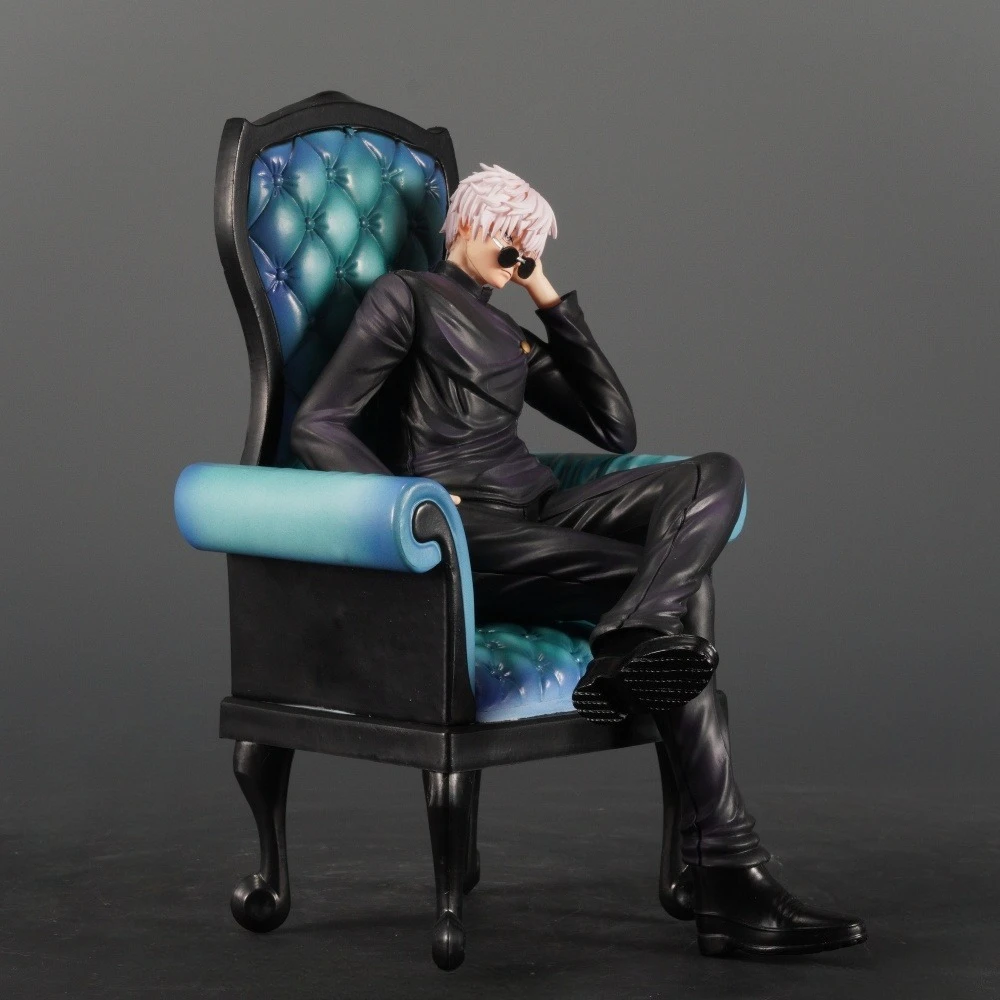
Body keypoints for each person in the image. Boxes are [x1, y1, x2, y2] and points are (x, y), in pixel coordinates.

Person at [291, 163, 866, 957]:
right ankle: (731, 876)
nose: (517, 256)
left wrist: (546, 294)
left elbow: (613, 427)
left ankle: (635, 635)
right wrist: (405, 501)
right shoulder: (408, 298)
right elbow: (319, 424)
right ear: (469, 222)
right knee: (678, 604)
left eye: (529, 246)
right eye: (510, 240)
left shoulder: (510, 332)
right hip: (467, 529)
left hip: (542, 508)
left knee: (713, 473)